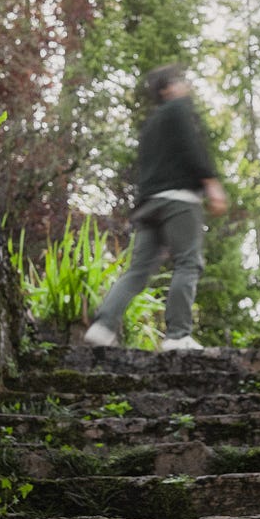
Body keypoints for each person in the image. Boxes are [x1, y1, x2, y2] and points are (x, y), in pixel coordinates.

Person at [84, 64, 228, 350]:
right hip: (179, 201)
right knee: (188, 262)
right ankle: (177, 336)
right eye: (179, 81)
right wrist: (211, 182)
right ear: (167, 89)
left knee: (137, 270)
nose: (185, 86)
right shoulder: (178, 110)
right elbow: (191, 147)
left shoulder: (150, 125)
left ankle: (102, 326)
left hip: (149, 205)